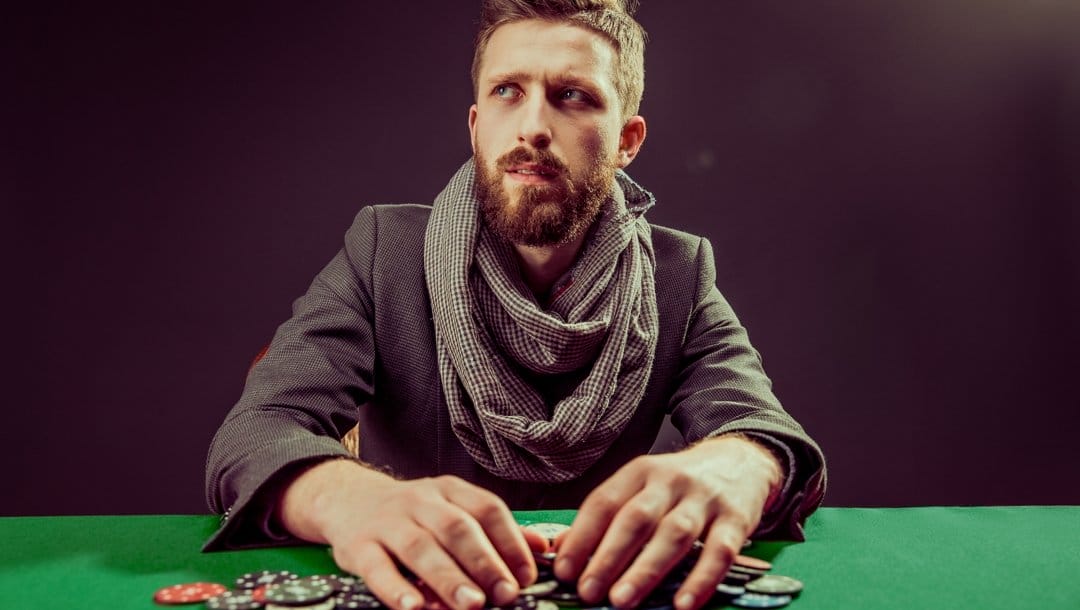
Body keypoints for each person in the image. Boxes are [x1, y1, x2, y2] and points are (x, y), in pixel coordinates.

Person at [205, 2, 826, 610]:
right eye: (508, 91)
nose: (533, 126)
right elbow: (257, 430)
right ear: (476, 125)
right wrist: (351, 499)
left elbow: (763, 431)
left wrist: (739, 464)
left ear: (626, 140)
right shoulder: (383, 249)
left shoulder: (678, 274)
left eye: (573, 95)